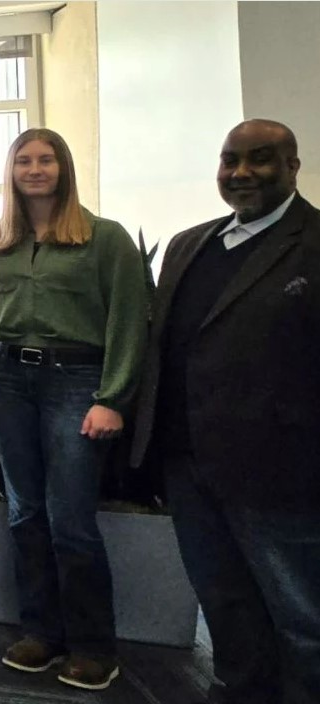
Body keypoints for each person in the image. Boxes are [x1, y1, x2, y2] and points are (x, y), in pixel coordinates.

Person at [131, 119, 320, 704]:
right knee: (223, 597)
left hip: (279, 468)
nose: (241, 173)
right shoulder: (192, 243)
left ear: (293, 167)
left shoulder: (312, 242)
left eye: (260, 160)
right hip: (190, 461)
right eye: (230, 160)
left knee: (302, 612)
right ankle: (238, 690)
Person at [0, 128, 148, 691]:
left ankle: (93, 646)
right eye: (24, 161)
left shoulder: (104, 238)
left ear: (64, 168)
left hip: (78, 381)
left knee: (70, 518)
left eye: (46, 160)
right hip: (9, 379)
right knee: (23, 513)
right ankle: (41, 632)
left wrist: (112, 396)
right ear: (11, 171)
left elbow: (128, 320)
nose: (35, 169)